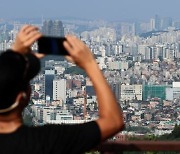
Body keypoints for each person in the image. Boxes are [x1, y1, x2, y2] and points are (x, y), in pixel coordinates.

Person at [0, 25, 124, 154]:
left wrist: (13, 55)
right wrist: (90, 63)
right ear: (22, 98)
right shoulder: (46, 140)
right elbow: (113, 122)